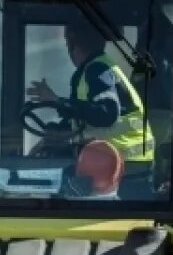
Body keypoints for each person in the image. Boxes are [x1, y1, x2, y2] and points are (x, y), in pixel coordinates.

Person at [26, 20, 152, 165]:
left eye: (67, 43)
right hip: (120, 160)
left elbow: (106, 113)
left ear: (72, 43)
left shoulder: (98, 69)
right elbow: (88, 118)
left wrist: (57, 101)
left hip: (124, 162)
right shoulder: (98, 67)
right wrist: (58, 132)